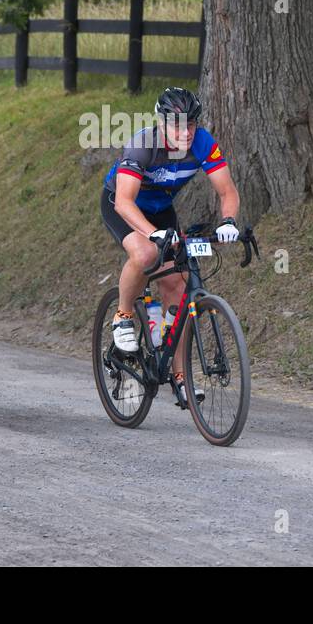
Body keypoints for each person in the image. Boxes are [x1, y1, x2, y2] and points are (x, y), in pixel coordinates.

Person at [100, 87, 241, 408]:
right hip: (122, 205)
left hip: (161, 209)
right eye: (177, 125)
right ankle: (122, 316)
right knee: (146, 253)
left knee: (176, 283)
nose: (185, 133)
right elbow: (124, 202)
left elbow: (227, 191)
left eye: (191, 125)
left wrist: (229, 222)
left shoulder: (203, 143)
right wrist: (153, 234)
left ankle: (180, 377)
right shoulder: (143, 145)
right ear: (161, 123)